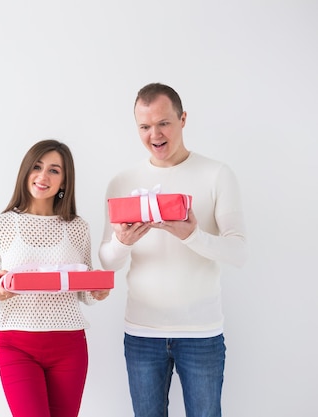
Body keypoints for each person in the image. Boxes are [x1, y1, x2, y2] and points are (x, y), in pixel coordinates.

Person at [98, 83, 248, 417]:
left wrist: (193, 235)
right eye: (144, 126)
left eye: (163, 122)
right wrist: (123, 242)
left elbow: (238, 252)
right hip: (141, 333)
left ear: (182, 119)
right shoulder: (121, 182)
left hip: (202, 333)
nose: (155, 134)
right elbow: (106, 261)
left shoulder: (217, 174)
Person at [0, 139, 110, 417]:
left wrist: (97, 290)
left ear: (64, 181)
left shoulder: (78, 227)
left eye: (54, 170)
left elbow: (83, 290)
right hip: (16, 345)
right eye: (37, 167)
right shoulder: (0, 225)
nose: (43, 176)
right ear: (26, 171)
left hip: (69, 346)